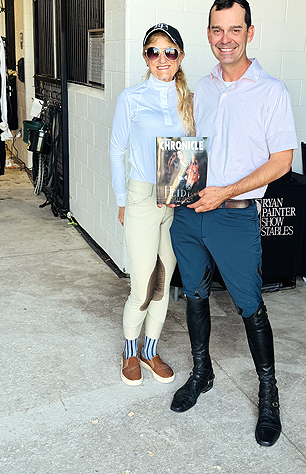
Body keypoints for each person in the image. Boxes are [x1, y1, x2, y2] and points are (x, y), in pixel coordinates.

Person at [169, 0, 297, 446]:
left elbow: (282, 162)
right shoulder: (201, 88)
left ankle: (269, 395)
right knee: (194, 295)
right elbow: (191, 148)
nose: (225, 39)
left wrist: (225, 191)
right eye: (217, 30)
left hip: (235, 217)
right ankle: (201, 373)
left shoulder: (272, 91)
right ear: (208, 34)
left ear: (250, 32)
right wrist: (173, 187)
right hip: (190, 215)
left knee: (249, 306)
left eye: (235, 29)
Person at [110, 23, 195, 386]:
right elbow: (117, 150)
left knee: (164, 278)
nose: (162, 58)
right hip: (142, 195)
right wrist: (121, 199)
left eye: (170, 51)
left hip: (176, 196)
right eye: (153, 51)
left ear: (180, 56)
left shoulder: (188, 99)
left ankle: (149, 350)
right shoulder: (131, 97)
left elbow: (192, 152)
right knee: (142, 282)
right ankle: (129, 352)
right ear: (145, 57)